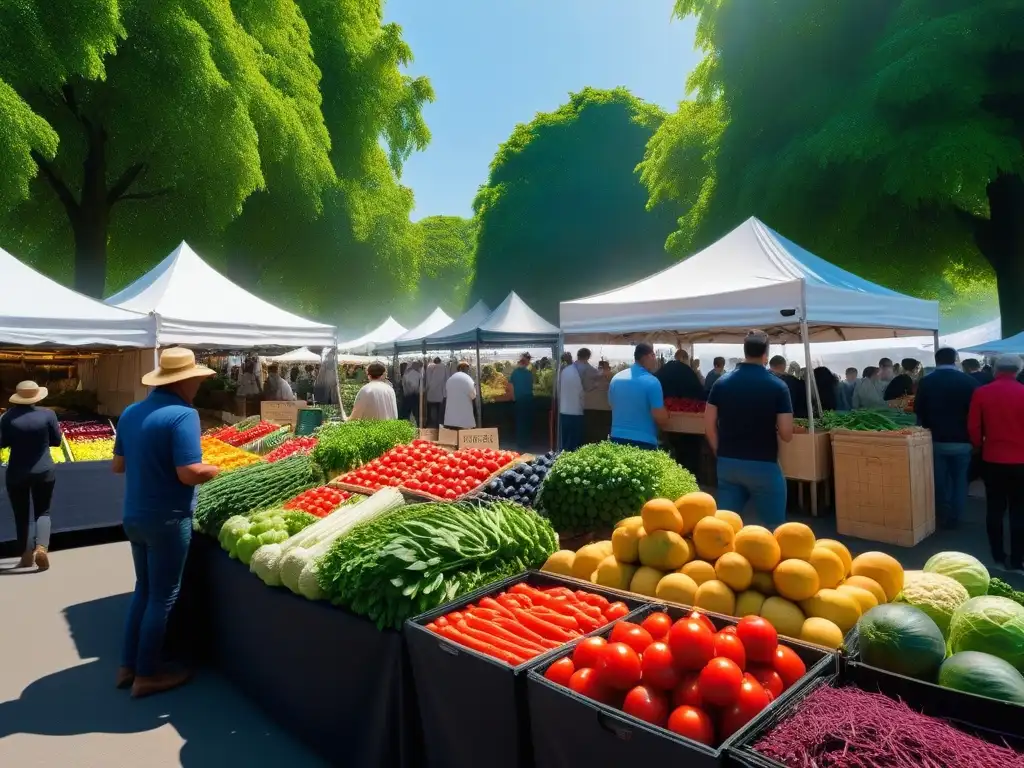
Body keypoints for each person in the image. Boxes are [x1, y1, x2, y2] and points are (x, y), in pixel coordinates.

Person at [113, 348, 220, 698]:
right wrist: (217, 468)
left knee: (143, 589)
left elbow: (118, 466)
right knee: (163, 595)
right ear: (184, 380)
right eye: (197, 380)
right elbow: (189, 474)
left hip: (134, 515)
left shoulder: (130, 412)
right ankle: (147, 674)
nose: (199, 385)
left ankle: (126, 665)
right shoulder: (183, 415)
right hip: (168, 519)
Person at [705, 330, 793, 526]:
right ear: (766, 354)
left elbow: (709, 425)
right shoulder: (778, 386)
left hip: (728, 463)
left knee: (725, 527)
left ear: (745, 351)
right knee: (775, 530)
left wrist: (719, 451)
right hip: (763, 464)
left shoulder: (721, 383)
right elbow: (787, 433)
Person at [968, 354, 1024, 569]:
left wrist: (979, 445)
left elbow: (973, 427)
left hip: (993, 458)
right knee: (1019, 511)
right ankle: (1018, 561)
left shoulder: (982, 392)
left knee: (995, 509)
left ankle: (998, 558)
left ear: (994, 369)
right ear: (1017, 370)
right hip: (1021, 461)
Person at [915, 346, 979, 529]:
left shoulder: (926, 382)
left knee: (939, 479)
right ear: (955, 359)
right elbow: (976, 413)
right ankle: (955, 516)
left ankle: (941, 513)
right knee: (960, 480)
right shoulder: (969, 382)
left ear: (937, 361)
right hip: (962, 441)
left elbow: (918, 409)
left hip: (935, 440)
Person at [1, 381, 61, 570]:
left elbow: (2, 443)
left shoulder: (7, 417)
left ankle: (26, 554)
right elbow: (57, 441)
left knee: (21, 514)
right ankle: (41, 548)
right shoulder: (48, 414)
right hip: (44, 469)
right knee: (43, 511)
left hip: (17, 472)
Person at [608, 343, 668, 450]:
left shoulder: (616, 379)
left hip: (616, 437)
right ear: (647, 356)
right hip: (643, 441)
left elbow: (612, 405)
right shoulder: (652, 382)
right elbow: (660, 417)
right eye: (654, 355)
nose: (655, 360)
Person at [559, 350, 591, 451]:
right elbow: (581, 392)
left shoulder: (564, 371)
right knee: (574, 442)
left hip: (564, 410)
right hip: (575, 412)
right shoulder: (578, 370)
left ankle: (561, 459)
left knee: (564, 441)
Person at [508, 354, 535, 452]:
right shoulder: (528, 373)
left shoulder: (515, 373)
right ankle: (526, 443)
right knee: (527, 421)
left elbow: (510, 386)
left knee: (521, 421)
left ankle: (521, 443)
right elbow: (532, 385)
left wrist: (513, 397)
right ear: (526, 363)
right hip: (528, 399)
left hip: (520, 400)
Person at [444, 361, 477, 429]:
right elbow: (473, 395)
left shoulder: (450, 379)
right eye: (467, 369)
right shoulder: (468, 379)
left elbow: (445, 395)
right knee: (464, 437)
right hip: (464, 419)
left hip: (450, 419)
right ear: (465, 369)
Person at [425, 357, 447, 428]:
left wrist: (426, 390)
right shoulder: (443, 367)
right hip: (440, 394)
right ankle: (438, 426)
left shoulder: (429, 367)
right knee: (439, 412)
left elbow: (427, 381)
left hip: (430, 394)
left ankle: (431, 425)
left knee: (430, 412)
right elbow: (446, 380)